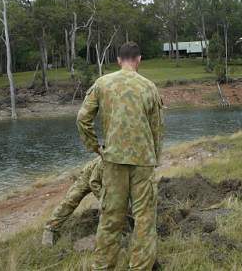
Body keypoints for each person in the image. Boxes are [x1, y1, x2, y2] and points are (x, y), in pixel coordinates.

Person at [77, 42, 164, 271]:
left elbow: (82, 119)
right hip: (143, 161)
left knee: (111, 217)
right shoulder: (149, 87)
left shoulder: (102, 83)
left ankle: (102, 267)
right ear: (139, 59)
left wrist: (95, 147)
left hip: (113, 160)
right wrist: (155, 156)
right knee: (144, 218)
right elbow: (157, 127)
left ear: (118, 60)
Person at [41, 156, 103, 246]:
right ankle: (50, 228)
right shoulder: (106, 157)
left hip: (106, 181)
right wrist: (103, 199)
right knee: (71, 200)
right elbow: (93, 183)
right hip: (87, 177)